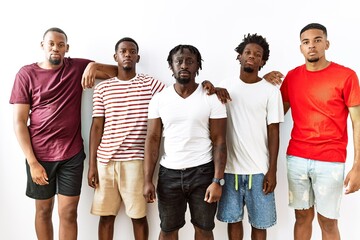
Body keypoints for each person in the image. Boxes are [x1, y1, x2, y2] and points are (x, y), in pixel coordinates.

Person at [9, 27, 118, 240]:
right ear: (43, 45)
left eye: (61, 45)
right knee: (43, 211)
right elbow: (19, 122)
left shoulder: (77, 67)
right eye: (51, 44)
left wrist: (94, 66)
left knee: (68, 213)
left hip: (72, 154)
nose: (55, 49)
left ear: (67, 48)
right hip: (39, 156)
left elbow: (118, 73)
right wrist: (32, 162)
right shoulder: (26, 74)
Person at [280, 23, 360, 240]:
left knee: (328, 221)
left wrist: (357, 166)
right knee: (302, 217)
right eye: (306, 42)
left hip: (330, 160)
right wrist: (265, 81)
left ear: (327, 43)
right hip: (297, 158)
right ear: (300, 48)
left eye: (317, 40)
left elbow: (357, 121)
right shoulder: (292, 77)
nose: (312, 46)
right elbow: (274, 114)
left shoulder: (346, 76)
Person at [143, 44, 227, 240]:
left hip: (203, 173)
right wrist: (147, 180)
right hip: (169, 175)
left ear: (197, 65)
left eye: (189, 61)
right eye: (179, 61)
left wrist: (217, 180)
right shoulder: (159, 99)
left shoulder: (211, 98)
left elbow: (220, 141)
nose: (184, 65)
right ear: (171, 66)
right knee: (168, 230)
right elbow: (153, 139)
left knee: (204, 229)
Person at [88, 37, 166, 240]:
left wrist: (208, 88)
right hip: (106, 162)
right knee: (106, 217)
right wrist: (92, 166)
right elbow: (96, 127)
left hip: (136, 161)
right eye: (123, 51)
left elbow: (177, 94)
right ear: (115, 57)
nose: (127, 55)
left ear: (138, 57)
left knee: (138, 216)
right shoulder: (103, 88)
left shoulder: (150, 84)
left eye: (132, 52)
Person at [216, 33, 284, 240]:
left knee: (260, 224)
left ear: (263, 61)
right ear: (239, 56)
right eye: (247, 52)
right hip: (230, 170)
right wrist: (211, 87)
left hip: (259, 171)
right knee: (233, 221)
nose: (252, 56)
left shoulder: (271, 91)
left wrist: (272, 170)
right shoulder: (225, 87)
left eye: (257, 54)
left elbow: (274, 131)